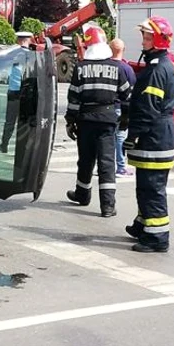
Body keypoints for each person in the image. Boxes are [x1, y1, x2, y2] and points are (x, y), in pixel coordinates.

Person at [66, 24, 132, 217]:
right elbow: (127, 96)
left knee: (85, 160)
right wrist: (126, 119)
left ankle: (82, 194)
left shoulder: (80, 68)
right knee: (107, 163)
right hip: (108, 120)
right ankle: (108, 206)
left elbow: (74, 99)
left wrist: (70, 121)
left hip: (86, 121)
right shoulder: (117, 68)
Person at [124, 16, 174, 253]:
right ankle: (144, 224)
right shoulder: (160, 63)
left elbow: (148, 107)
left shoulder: (157, 68)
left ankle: (157, 238)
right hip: (159, 134)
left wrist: (132, 135)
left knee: (151, 189)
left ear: (157, 39)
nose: (143, 41)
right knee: (146, 186)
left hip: (154, 137)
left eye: (147, 37)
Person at [0, 32, 31, 153]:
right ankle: (23, 148)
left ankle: (4, 144)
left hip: (14, 90)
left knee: (10, 120)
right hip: (26, 93)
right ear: (27, 40)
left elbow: (2, 68)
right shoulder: (32, 55)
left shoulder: (13, 54)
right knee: (24, 121)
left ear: (19, 40)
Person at [109, 38, 136, 177]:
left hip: (106, 108)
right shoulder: (126, 68)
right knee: (120, 137)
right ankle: (120, 167)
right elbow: (131, 90)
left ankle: (104, 166)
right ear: (123, 50)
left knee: (106, 138)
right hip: (121, 107)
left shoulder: (105, 66)